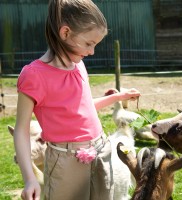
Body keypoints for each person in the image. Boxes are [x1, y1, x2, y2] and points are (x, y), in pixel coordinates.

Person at [13, 0, 140, 200]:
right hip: (65, 161)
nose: (92, 51)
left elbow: (83, 109)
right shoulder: (33, 75)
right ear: (65, 33)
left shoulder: (78, 65)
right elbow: (21, 130)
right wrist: (29, 179)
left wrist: (119, 97)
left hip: (101, 152)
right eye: (89, 43)